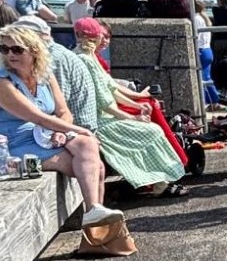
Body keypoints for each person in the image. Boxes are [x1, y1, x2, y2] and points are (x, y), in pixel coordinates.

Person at [0, 25, 122, 226]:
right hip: (16, 144)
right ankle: (96, 226)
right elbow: (36, 116)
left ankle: (94, 214)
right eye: (4, 49)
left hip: (46, 135)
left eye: (17, 49)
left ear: (34, 50)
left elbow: (64, 112)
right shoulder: (3, 82)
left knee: (88, 146)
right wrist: (76, 130)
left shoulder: (45, 76)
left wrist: (61, 129)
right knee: (96, 167)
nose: (10, 54)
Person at [72, 19, 187, 195]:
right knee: (151, 131)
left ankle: (157, 182)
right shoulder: (85, 59)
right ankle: (157, 183)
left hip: (103, 116)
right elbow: (104, 100)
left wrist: (137, 104)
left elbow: (109, 89)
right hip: (100, 122)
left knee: (150, 128)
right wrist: (134, 116)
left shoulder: (87, 56)